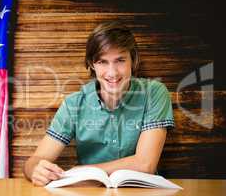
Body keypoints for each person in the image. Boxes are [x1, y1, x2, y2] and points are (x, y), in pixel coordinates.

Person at [23, 20, 174, 186]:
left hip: (141, 192)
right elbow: (34, 161)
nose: (112, 72)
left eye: (120, 60)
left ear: (134, 60)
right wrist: (35, 170)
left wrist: (82, 170)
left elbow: (145, 164)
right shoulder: (74, 104)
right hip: (89, 191)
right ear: (92, 64)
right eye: (102, 62)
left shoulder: (154, 93)